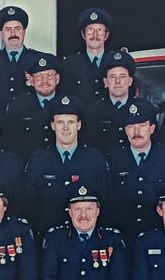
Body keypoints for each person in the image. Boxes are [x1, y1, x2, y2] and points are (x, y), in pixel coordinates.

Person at [23, 95, 108, 238]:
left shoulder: (95, 159)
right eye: (60, 122)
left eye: (71, 122)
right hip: (46, 240)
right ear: (53, 125)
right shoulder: (38, 160)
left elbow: (106, 201)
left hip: (84, 241)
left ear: (79, 125)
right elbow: (28, 204)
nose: (66, 128)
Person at [105, 99, 165, 244]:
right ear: (125, 130)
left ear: (151, 128)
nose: (136, 132)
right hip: (123, 237)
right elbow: (108, 199)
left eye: (142, 126)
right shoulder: (114, 159)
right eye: (131, 127)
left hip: (158, 235)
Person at [3, 53, 62, 159]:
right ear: (31, 80)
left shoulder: (67, 104)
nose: (45, 81)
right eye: (39, 76)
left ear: (57, 78)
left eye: (49, 75)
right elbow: (10, 143)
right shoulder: (18, 105)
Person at [0, 6, 41, 107]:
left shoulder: (36, 59)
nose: (13, 34)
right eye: (8, 29)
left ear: (24, 32)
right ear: (1, 34)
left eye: (17, 29)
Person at [83, 50, 142, 153]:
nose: (117, 81)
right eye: (112, 77)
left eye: (122, 77)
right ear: (105, 82)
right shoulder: (91, 111)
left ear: (130, 81)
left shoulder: (143, 109)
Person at [60, 7, 120, 100]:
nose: (95, 35)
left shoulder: (117, 60)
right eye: (90, 30)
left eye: (99, 30)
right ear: (83, 34)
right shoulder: (69, 64)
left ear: (106, 35)